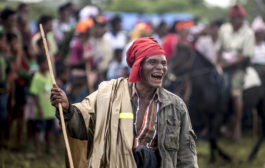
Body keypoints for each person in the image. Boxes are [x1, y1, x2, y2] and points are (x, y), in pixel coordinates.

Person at [50, 37, 198, 168]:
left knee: (144, 153)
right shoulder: (108, 94)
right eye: (153, 62)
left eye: (163, 63)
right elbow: (82, 128)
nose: (160, 67)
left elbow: (186, 154)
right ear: (138, 66)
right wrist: (67, 108)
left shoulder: (176, 106)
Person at [218, 4, 255, 140]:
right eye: (234, 18)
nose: (237, 21)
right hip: (223, 65)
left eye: (239, 18)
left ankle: (237, 126)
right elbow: (218, 47)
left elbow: (246, 55)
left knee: (235, 92)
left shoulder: (248, 33)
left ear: (243, 18)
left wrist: (227, 64)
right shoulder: (224, 29)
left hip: (239, 67)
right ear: (231, 19)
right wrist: (217, 63)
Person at [30, 55, 56, 154]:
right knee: (38, 130)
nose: (47, 65)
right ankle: (38, 149)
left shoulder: (50, 75)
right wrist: (39, 108)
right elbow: (35, 94)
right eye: (45, 63)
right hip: (41, 110)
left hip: (50, 109)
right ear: (40, 64)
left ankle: (50, 147)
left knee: (50, 130)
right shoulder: (37, 77)